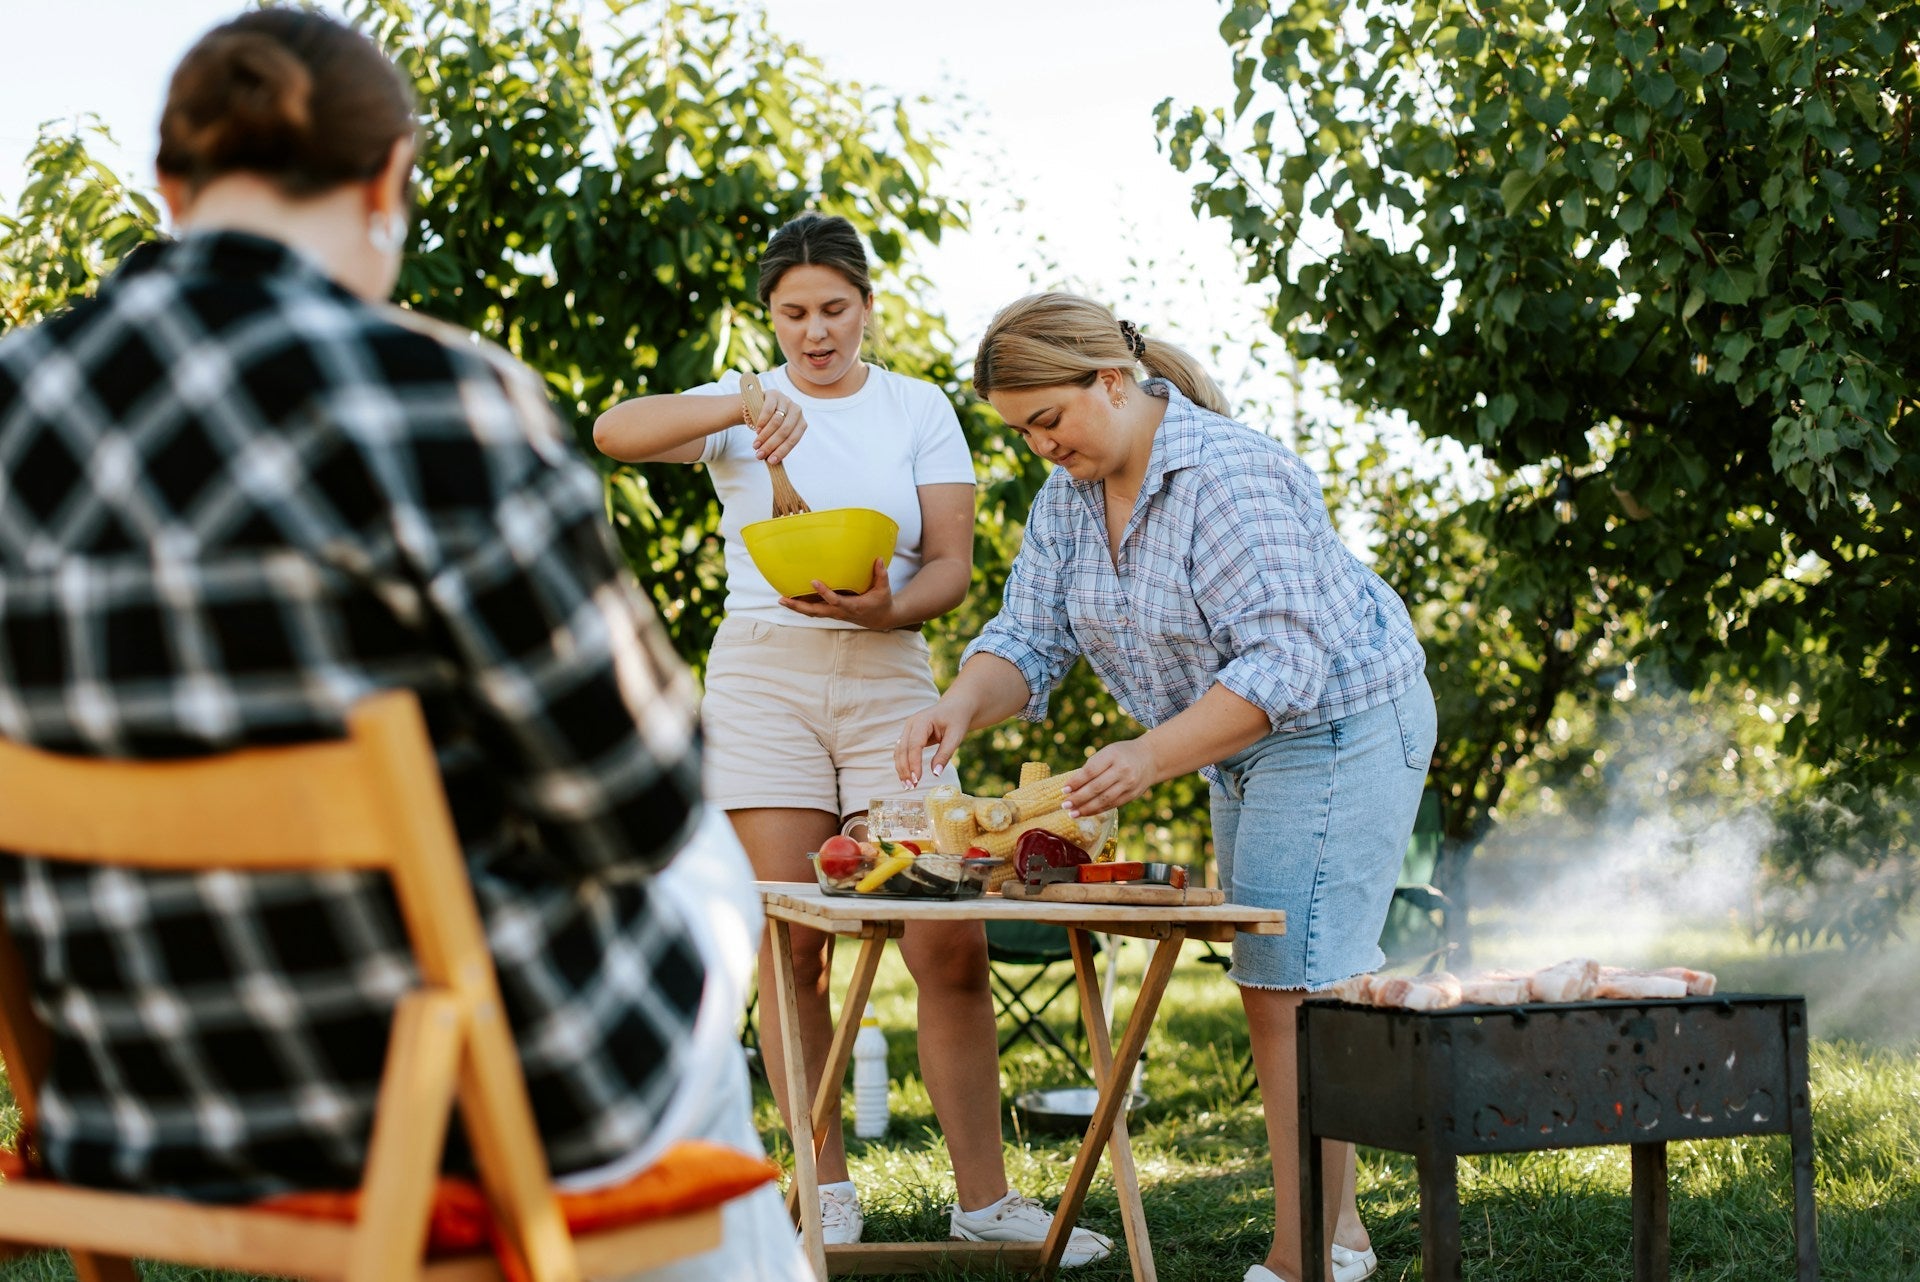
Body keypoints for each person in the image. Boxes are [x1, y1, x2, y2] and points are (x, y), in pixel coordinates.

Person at [0, 12, 805, 1280]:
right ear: (387, 181)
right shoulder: (436, 396)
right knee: (706, 856)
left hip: (131, 1100)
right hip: (454, 1102)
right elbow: (631, 805)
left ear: (171, 189)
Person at [592, 217, 1111, 1264]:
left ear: (867, 306)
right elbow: (612, 429)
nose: (814, 333)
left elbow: (950, 569)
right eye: (793, 313)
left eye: (833, 309)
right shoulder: (745, 408)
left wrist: (882, 612)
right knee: (795, 944)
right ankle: (823, 1185)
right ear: (769, 316)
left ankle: (985, 1197)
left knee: (946, 936)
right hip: (762, 680)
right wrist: (737, 401)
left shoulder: (915, 407)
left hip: (891, 680)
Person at [895, 292, 1436, 1282]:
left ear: (1109, 379)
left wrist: (1147, 757)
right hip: (1237, 737)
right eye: (1019, 432)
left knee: (1290, 983)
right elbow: (1029, 636)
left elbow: (1285, 664)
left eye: (1046, 420)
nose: (1039, 448)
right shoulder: (1069, 499)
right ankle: (1338, 1238)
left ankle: (1304, 1254)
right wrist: (963, 701)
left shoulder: (1233, 476)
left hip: (1342, 721)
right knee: (1282, 980)